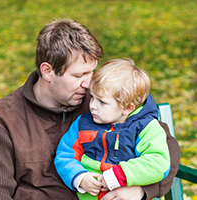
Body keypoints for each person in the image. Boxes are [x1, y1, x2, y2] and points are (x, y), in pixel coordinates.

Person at [0, 18, 180, 200]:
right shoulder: (4, 119)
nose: (88, 84)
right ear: (48, 71)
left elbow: (166, 151)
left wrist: (141, 190)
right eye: (79, 76)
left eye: (92, 72)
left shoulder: (105, 100)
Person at [54, 59, 171, 200]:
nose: (93, 106)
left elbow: (158, 162)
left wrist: (120, 175)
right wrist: (80, 177)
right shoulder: (83, 124)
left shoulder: (146, 128)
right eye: (92, 98)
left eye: (102, 102)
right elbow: (64, 155)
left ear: (127, 108)